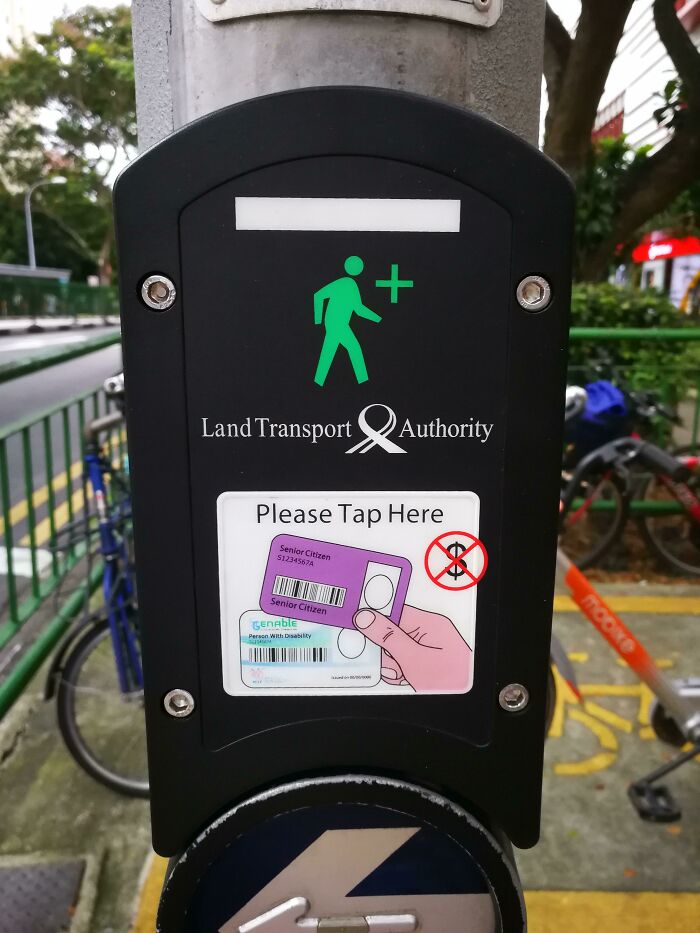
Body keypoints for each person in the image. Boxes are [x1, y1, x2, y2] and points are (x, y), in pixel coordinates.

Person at [313, 255, 381, 386]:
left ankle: (318, 381)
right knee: (354, 348)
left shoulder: (349, 284)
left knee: (329, 351)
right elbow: (318, 296)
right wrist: (317, 321)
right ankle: (363, 381)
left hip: (336, 324)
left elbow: (358, 310)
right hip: (338, 324)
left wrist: (377, 319)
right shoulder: (348, 283)